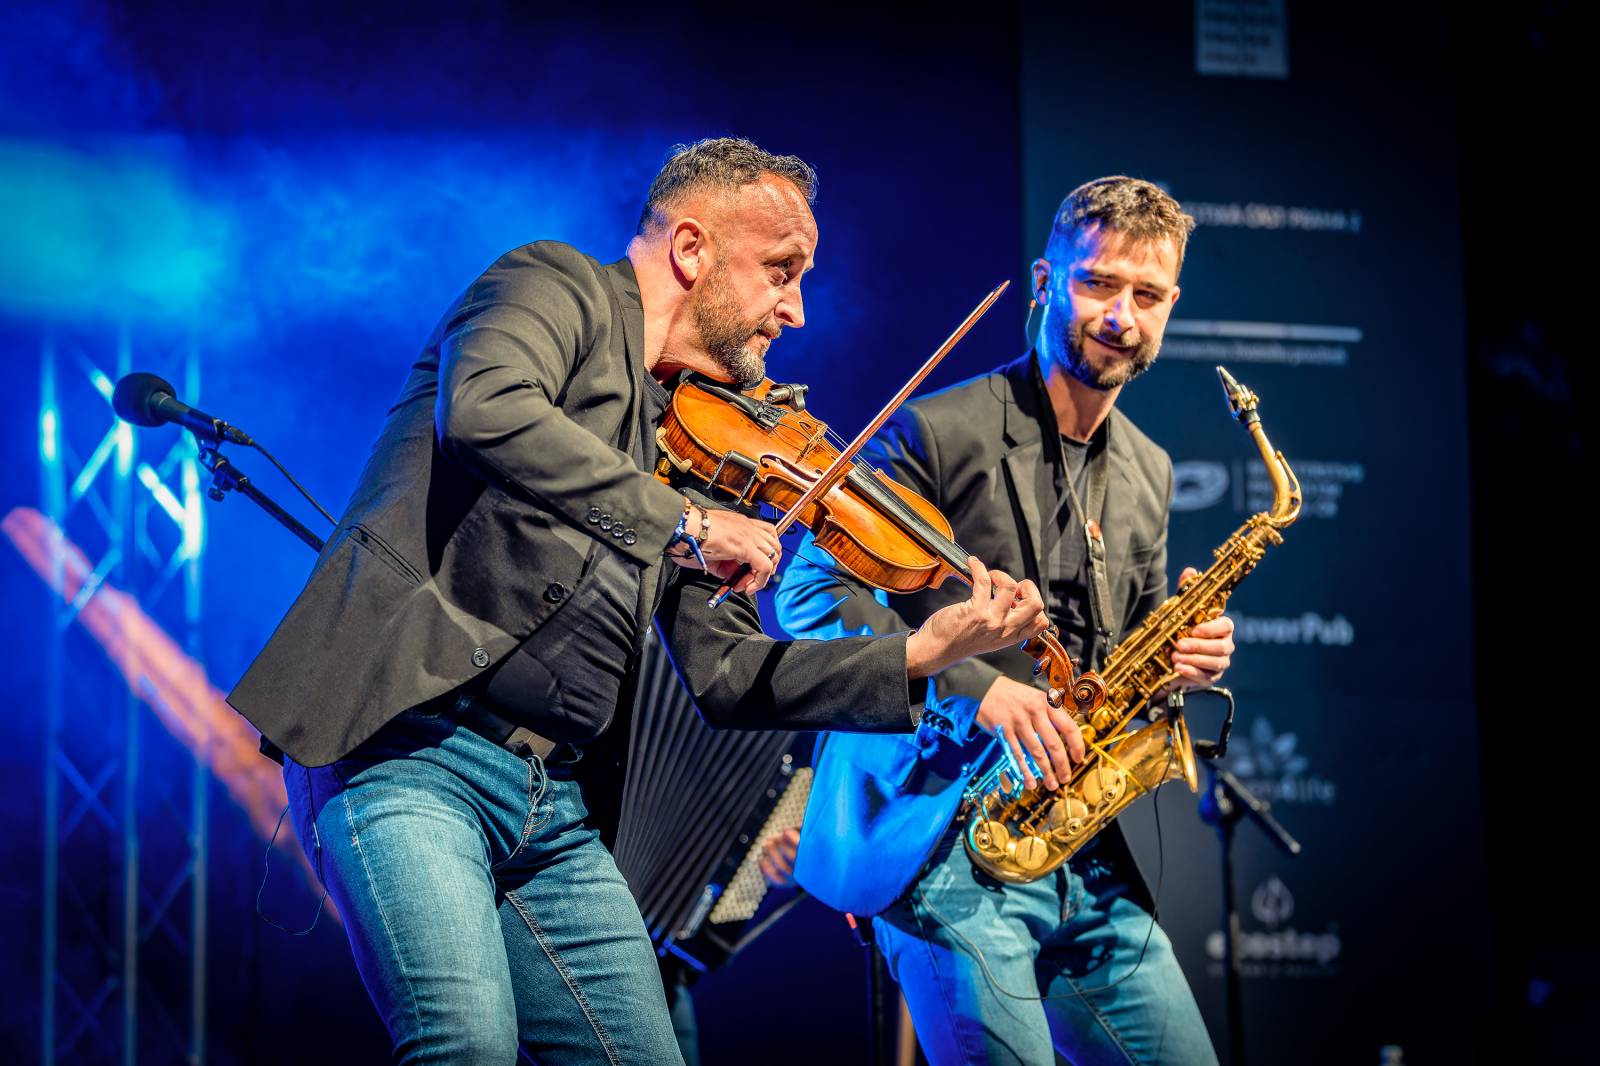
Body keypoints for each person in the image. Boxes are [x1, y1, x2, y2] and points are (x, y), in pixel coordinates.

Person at [226, 137, 1050, 1065]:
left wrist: (924, 654)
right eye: (782, 271)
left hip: (555, 809)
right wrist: (689, 523)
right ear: (693, 250)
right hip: (412, 752)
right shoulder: (553, 284)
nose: (798, 309)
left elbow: (731, 672)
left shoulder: (700, 433)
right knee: (466, 1046)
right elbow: (486, 408)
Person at [775, 176, 1234, 1066]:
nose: (1121, 317)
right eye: (1099, 283)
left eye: (1147, 296)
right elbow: (811, 593)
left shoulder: (1151, 468)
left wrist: (1188, 652)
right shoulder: (936, 433)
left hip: (1084, 850)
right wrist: (976, 690)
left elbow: (1124, 646)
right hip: (942, 842)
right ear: (1044, 281)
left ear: (1171, 305)